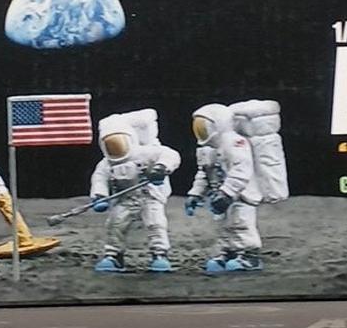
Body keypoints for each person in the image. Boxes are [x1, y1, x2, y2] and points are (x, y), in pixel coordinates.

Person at [89, 112, 180, 273]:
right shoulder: (106, 164)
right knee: (115, 224)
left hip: (149, 197)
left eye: (118, 141)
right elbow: (99, 179)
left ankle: (159, 254)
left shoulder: (145, 152)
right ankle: (113, 255)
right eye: (110, 144)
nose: (115, 147)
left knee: (155, 224)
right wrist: (99, 195)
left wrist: (161, 168)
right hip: (125, 199)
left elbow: (170, 155)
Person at [185, 102, 264, 273]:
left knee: (241, 224)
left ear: (218, 124)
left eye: (204, 126)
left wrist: (227, 192)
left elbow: (241, 169)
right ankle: (229, 252)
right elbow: (204, 173)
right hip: (220, 195)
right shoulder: (206, 150)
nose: (200, 130)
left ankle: (250, 256)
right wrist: (195, 194)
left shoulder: (236, 142)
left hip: (241, 195)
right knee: (223, 226)